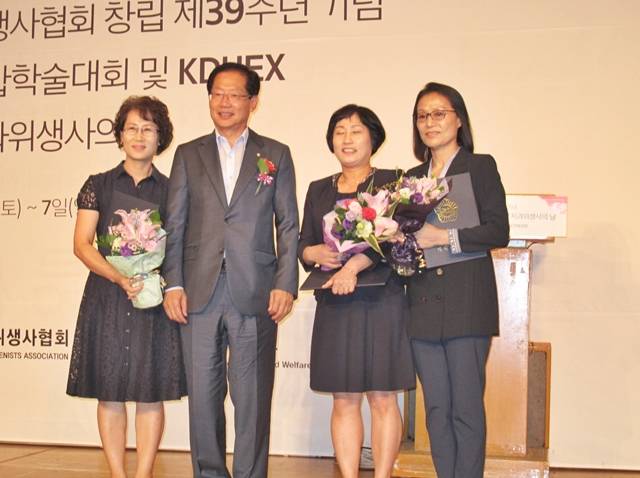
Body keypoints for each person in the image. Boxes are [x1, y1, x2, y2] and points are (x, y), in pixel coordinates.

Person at [162, 62, 299, 478]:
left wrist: (285, 283)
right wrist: (173, 283)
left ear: (252, 101)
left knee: (252, 396)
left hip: (255, 288)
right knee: (203, 397)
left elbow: (288, 224)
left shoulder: (275, 154)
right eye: (217, 93)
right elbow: (175, 223)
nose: (224, 102)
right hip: (197, 291)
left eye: (234, 94)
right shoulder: (188, 154)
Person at [66, 96, 186, 478]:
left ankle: (144, 472)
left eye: (148, 128)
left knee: (150, 391)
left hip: (152, 298)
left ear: (160, 137)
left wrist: (155, 279)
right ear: (120, 135)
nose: (139, 135)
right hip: (108, 296)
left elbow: (179, 247)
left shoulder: (173, 189)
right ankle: (118, 473)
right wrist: (119, 277)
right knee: (110, 390)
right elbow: (82, 244)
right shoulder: (98, 185)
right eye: (132, 127)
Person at [298, 104, 415, 478]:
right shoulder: (318, 189)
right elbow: (304, 243)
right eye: (339, 132)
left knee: (383, 396)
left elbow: (397, 238)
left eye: (356, 131)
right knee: (344, 397)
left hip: (382, 301)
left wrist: (353, 266)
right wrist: (313, 253)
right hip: (336, 301)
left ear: (373, 138)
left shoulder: (392, 182)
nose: (347, 139)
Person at [405, 82, 510, 478]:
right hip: (423, 305)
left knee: (465, 407)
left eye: (439, 113)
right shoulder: (410, 178)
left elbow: (498, 230)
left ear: (459, 119)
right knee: (435, 409)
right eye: (422, 116)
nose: (429, 123)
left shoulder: (479, 166)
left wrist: (445, 237)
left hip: (467, 304)